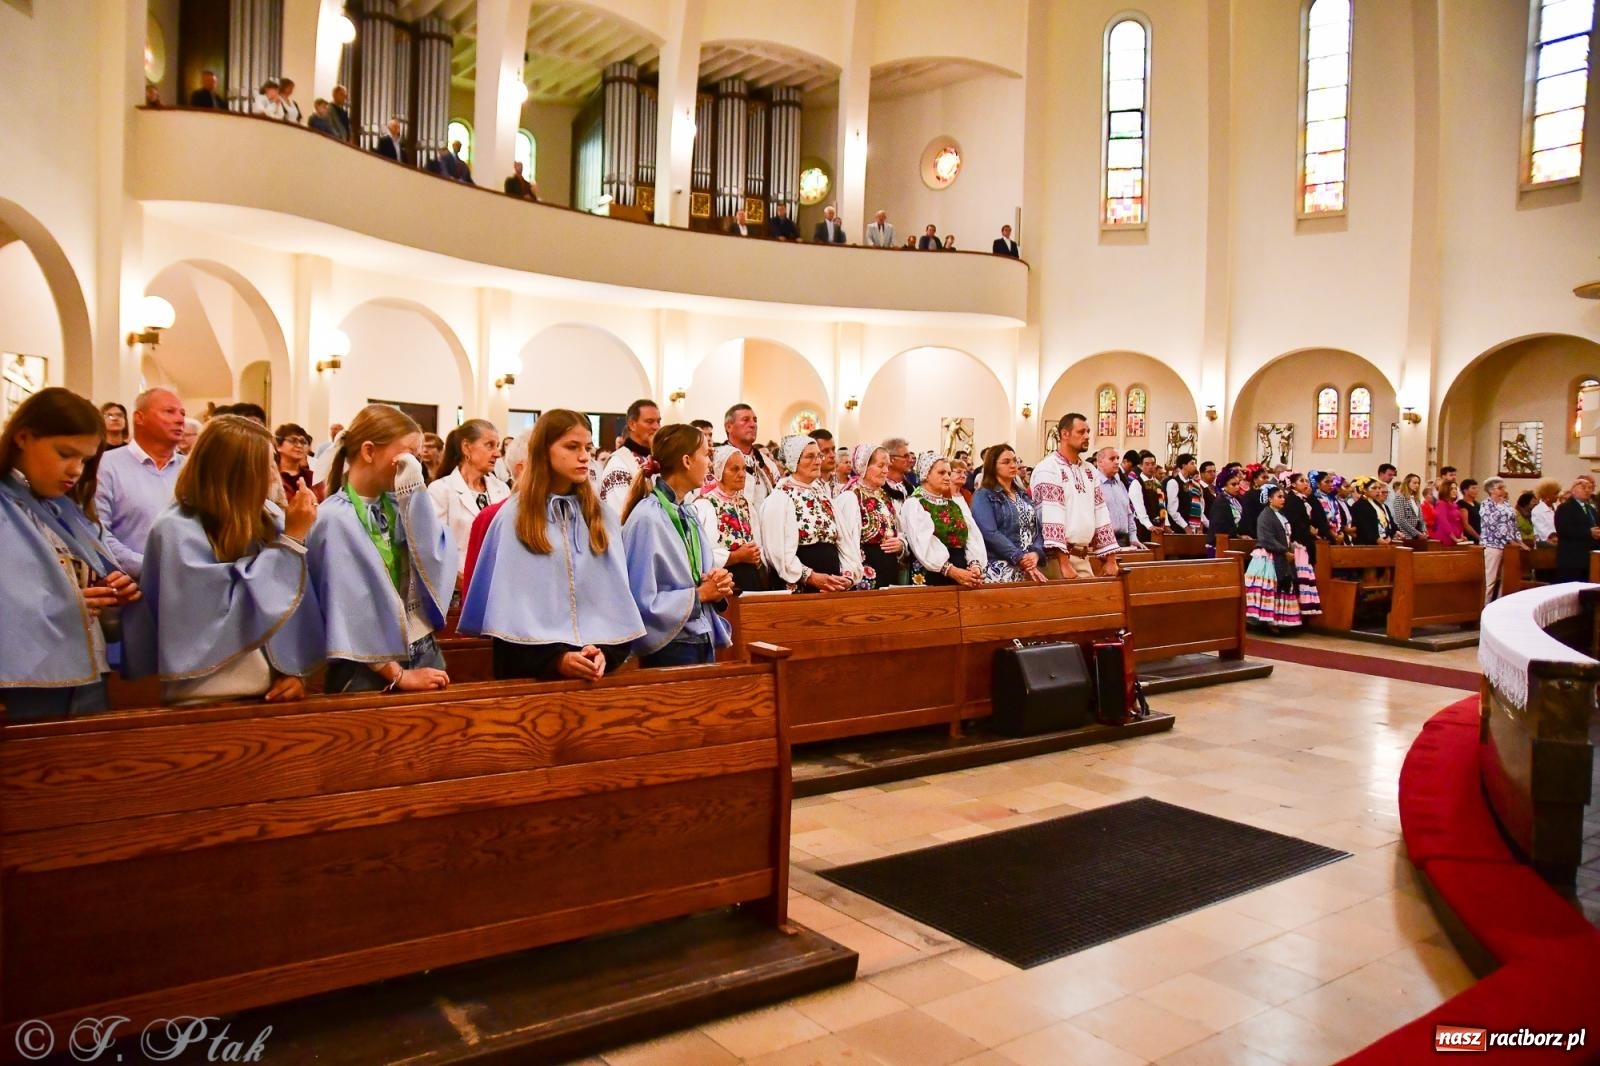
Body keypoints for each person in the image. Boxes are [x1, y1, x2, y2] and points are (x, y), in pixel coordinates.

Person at [138, 415, 324, 706]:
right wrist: (291, 540)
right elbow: (220, 611)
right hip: (207, 695)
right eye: (265, 466)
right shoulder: (177, 529)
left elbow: (293, 599)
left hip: (273, 694)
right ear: (235, 472)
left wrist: (293, 672)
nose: (274, 475)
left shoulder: (269, 516)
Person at [461, 409, 644, 680]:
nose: (584, 456)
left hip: (595, 678)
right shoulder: (513, 518)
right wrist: (555, 660)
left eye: (587, 447)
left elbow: (617, 606)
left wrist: (605, 653)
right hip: (531, 680)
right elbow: (506, 622)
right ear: (543, 450)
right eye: (572, 447)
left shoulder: (601, 517)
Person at [0, 388, 143, 720]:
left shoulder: (68, 511)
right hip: (22, 681)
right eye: (65, 454)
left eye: (85, 460)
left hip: (87, 671)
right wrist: (72, 602)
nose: (76, 470)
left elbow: (86, 585)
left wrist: (113, 592)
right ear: (23, 437)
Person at [309, 404, 453, 694]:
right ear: (369, 451)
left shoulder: (400, 505)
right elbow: (348, 609)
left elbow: (435, 559)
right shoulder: (334, 518)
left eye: (417, 457)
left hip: (422, 646)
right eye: (406, 455)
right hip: (367, 664)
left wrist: (416, 495)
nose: (412, 466)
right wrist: (398, 675)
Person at [620, 425, 735, 667]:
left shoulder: (687, 511)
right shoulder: (648, 518)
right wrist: (701, 594)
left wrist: (717, 581)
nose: (710, 463)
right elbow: (640, 597)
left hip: (700, 634)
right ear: (686, 461)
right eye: (705, 454)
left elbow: (698, 571)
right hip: (671, 643)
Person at [94, 387, 186, 577]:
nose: (180, 419)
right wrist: (151, 570)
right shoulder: (106, 466)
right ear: (139, 417)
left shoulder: (191, 469)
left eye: (182, 413)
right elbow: (97, 533)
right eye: (169, 412)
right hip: (128, 589)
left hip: (185, 588)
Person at [760, 435, 856, 592]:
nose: (818, 461)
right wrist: (810, 576)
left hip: (831, 584)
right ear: (793, 461)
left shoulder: (823, 497)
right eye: (810, 456)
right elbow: (777, 552)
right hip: (799, 586)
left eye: (819, 455)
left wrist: (847, 576)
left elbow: (844, 541)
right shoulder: (780, 498)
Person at [1031, 413, 1120, 579]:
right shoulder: (1048, 469)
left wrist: (1110, 559)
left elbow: (1101, 514)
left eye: (1088, 431)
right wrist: (1064, 564)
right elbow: (1051, 517)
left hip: (1082, 556)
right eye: (1081, 432)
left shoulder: (1089, 470)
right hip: (1056, 560)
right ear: (1065, 434)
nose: (1087, 436)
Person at [428, 419, 510, 581]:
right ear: (466, 447)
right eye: (489, 445)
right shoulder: (441, 490)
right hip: (455, 586)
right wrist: (460, 581)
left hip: (495, 581)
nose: (497, 453)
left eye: (497, 446)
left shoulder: (502, 489)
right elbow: (434, 546)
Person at [690, 445, 768, 593]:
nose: (742, 474)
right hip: (722, 581)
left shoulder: (747, 505)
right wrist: (735, 556)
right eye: (734, 469)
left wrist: (756, 556)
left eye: (744, 469)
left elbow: (758, 544)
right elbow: (699, 552)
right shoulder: (704, 505)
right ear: (719, 472)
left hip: (751, 578)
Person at [902, 452, 986, 586]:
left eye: (948, 473)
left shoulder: (952, 505)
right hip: (932, 574)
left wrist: (975, 565)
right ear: (926, 474)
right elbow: (923, 543)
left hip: (962, 573)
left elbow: (971, 536)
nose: (947, 477)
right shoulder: (915, 504)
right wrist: (952, 570)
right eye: (941, 473)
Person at [834, 443, 906, 589]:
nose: (886, 471)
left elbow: (899, 530)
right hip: (865, 570)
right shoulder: (850, 496)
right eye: (880, 466)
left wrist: (901, 545)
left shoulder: (884, 495)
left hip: (889, 568)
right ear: (864, 467)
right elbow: (846, 541)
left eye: (887, 465)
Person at [972, 444, 1046, 583]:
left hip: (1028, 567)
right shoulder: (984, 495)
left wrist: (1036, 553)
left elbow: (1037, 529)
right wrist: (1019, 557)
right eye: (1006, 462)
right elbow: (989, 533)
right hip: (1000, 569)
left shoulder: (1022, 494)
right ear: (993, 466)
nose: (1013, 465)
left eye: (1015, 460)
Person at [1244, 483, 1306, 634]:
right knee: (1269, 588)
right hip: (1268, 558)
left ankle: (1277, 618)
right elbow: (1266, 538)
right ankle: (1267, 621)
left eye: (1283, 497)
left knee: (1281, 587)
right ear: (1270, 499)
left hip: (1281, 556)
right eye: (1279, 497)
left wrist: (1292, 545)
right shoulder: (1265, 516)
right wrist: (1284, 550)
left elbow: (1284, 536)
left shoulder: (1281, 515)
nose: (1282, 499)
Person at [600, 399, 661, 517]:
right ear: (632, 424)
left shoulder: (657, 458)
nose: (656, 427)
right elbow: (621, 514)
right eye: (649, 422)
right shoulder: (619, 463)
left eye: (658, 421)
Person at [722, 403, 781, 512]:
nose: (753, 424)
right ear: (729, 426)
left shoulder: (767, 464)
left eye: (755, 420)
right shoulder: (716, 462)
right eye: (745, 420)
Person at [1479, 478, 1523, 601]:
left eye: (1504, 487)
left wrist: (1519, 541)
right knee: (1490, 580)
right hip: (1492, 545)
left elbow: (1513, 525)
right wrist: (1509, 540)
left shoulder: (1506, 504)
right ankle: (1484, 606)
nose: (1503, 490)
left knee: (1507, 580)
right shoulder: (1486, 504)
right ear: (1491, 490)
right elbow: (1493, 524)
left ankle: (1499, 603)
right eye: (1500, 488)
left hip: (1509, 547)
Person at [1553, 476, 1600, 582]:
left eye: (1590, 488)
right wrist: (1588, 532)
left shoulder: (1591, 509)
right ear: (1573, 490)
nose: (1588, 490)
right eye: (1584, 487)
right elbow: (1564, 530)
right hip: (1572, 558)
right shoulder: (1565, 508)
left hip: (1590, 558)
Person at [274, 423, 319, 501]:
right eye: (293, 440)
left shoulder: (312, 477)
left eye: (303, 442)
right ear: (278, 446)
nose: (299, 445)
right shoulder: (272, 476)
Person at [1206, 465, 1247, 550]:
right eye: (1233, 484)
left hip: (1235, 542)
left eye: (1238, 484)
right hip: (1220, 544)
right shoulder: (1221, 501)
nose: (1237, 487)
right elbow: (1220, 527)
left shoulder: (1238, 499)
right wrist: (1238, 536)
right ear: (1224, 486)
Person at [1349, 476, 1395, 545]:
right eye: (1374, 488)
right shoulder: (1359, 505)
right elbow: (1364, 528)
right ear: (1364, 490)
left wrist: (1388, 536)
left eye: (1379, 488)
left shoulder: (1377, 503)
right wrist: (1377, 539)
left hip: (1382, 541)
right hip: (1367, 544)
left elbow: (1385, 522)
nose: (1378, 491)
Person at [1165, 454, 1203, 531]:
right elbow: (1172, 509)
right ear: (1184, 465)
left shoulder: (1195, 484)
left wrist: (1199, 524)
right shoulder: (1174, 482)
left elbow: (1199, 507)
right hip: (1179, 528)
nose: (1195, 466)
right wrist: (1185, 526)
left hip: (1193, 527)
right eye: (1192, 463)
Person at [1391, 473, 1428, 542]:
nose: (1417, 485)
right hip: (1405, 534)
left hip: (1417, 533)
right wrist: (1417, 533)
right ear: (1407, 483)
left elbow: (1421, 518)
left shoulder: (1416, 499)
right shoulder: (1400, 497)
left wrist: (1423, 531)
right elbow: (1401, 519)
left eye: (1418, 483)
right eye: (1414, 483)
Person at [1428, 480, 1465, 545]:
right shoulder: (1441, 504)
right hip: (1445, 539)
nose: (1454, 491)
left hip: (1457, 540)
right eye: (1451, 489)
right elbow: (1444, 523)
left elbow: (1459, 522)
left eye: (1455, 489)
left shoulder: (1455, 505)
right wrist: (1454, 538)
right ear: (1445, 490)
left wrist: (1461, 535)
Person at [882, 436, 915, 505]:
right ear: (891, 460)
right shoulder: (880, 489)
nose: (910, 460)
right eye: (905, 456)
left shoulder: (911, 488)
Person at [1531, 479, 1560, 544]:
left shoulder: (1557, 507)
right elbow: (1542, 529)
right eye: (1555, 494)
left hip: (1558, 542)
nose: (1558, 496)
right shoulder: (1537, 510)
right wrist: (1553, 537)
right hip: (1544, 545)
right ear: (1547, 495)